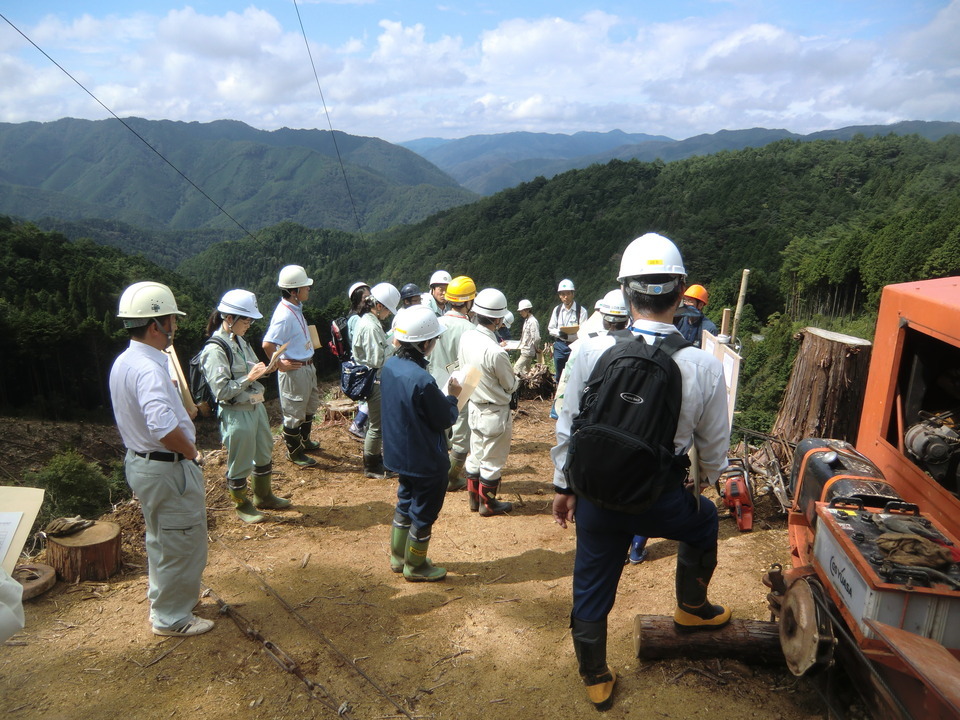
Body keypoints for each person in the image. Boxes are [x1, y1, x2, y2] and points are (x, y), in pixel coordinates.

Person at [551, 233, 731, 710]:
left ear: (627, 293)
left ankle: (594, 674)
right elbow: (712, 453)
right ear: (681, 293)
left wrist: (565, 487)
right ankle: (691, 608)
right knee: (705, 521)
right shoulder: (702, 367)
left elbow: (570, 424)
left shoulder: (591, 351)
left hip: (598, 497)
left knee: (590, 579)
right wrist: (713, 484)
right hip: (659, 501)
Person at [109, 281, 212, 637]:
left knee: (162, 539)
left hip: (142, 463)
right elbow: (163, 427)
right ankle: (172, 617)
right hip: (166, 466)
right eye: (172, 320)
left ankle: (167, 603)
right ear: (156, 325)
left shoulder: (126, 361)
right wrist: (191, 452)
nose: (175, 326)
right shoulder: (151, 368)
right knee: (182, 541)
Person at [381, 306, 462, 582]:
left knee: (405, 501)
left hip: (400, 454)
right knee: (424, 512)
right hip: (426, 458)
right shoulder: (422, 380)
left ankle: (397, 555)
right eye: (434, 339)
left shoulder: (391, 366)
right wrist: (452, 397)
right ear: (424, 343)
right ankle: (415, 565)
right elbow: (445, 418)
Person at [199, 290, 290, 524]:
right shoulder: (214, 350)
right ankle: (242, 503)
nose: (249, 325)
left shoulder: (240, 341)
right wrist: (249, 378)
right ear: (229, 318)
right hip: (235, 412)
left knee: (264, 448)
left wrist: (266, 369)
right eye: (246, 320)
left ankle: (263, 495)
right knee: (240, 459)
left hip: (255, 406)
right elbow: (221, 390)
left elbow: (252, 368)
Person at [458, 288, 519, 516]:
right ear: (497, 318)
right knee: (492, 461)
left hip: (473, 405)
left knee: (475, 454)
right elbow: (509, 384)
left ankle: (474, 500)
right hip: (494, 411)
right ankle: (488, 504)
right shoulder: (496, 351)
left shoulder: (467, 337)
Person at [263, 265, 321, 468]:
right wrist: (279, 364)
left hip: (305, 366)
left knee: (309, 406)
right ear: (294, 292)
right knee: (294, 412)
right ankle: (294, 452)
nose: (309, 289)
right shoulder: (284, 315)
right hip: (294, 370)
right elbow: (267, 343)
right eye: (305, 287)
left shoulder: (295, 308)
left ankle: (304, 441)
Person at [428, 276, 477, 491]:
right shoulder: (469, 329)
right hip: (459, 386)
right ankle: (451, 476)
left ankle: (434, 468)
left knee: (438, 427)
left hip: (434, 382)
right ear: (469, 302)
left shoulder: (436, 323)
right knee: (460, 431)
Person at [352, 282, 401, 478]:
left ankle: (378, 461)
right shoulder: (371, 326)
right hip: (375, 381)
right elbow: (376, 360)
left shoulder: (370, 322)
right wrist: (395, 345)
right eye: (388, 310)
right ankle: (371, 465)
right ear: (379, 306)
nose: (388, 314)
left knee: (378, 424)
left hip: (376, 380)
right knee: (377, 425)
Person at [547, 279, 589, 383]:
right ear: (559, 296)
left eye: (568, 294)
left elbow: (584, 332)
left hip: (575, 345)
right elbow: (551, 328)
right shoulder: (557, 310)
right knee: (559, 374)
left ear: (573, 294)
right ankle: (559, 395)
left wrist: (569, 337)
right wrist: (560, 334)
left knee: (575, 373)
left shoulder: (581, 311)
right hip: (560, 345)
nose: (565, 297)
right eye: (563, 294)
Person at [346, 281, 371, 440]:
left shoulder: (359, 318)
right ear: (357, 300)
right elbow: (361, 343)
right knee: (368, 395)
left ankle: (362, 425)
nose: (369, 301)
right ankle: (358, 425)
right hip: (362, 362)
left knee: (367, 396)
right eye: (366, 298)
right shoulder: (356, 320)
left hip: (362, 361)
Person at [513, 299, 541, 376]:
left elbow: (536, 338)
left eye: (522, 311)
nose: (520, 313)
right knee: (527, 371)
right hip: (525, 349)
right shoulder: (527, 320)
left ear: (527, 310)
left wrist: (536, 348)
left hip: (528, 351)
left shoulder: (533, 322)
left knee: (516, 368)